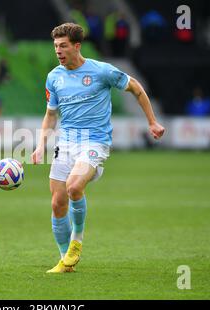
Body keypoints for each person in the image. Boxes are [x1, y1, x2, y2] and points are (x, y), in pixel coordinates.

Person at [31, 23, 165, 273]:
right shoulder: (54, 77)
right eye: (55, 46)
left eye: (63, 46)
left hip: (95, 140)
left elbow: (135, 88)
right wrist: (41, 146)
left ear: (77, 46)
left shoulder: (102, 71)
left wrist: (152, 121)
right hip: (66, 142)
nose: (58, 51)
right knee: (57, 203)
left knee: (73, 187)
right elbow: (50, 115)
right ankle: (65, 261)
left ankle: (76, 242)